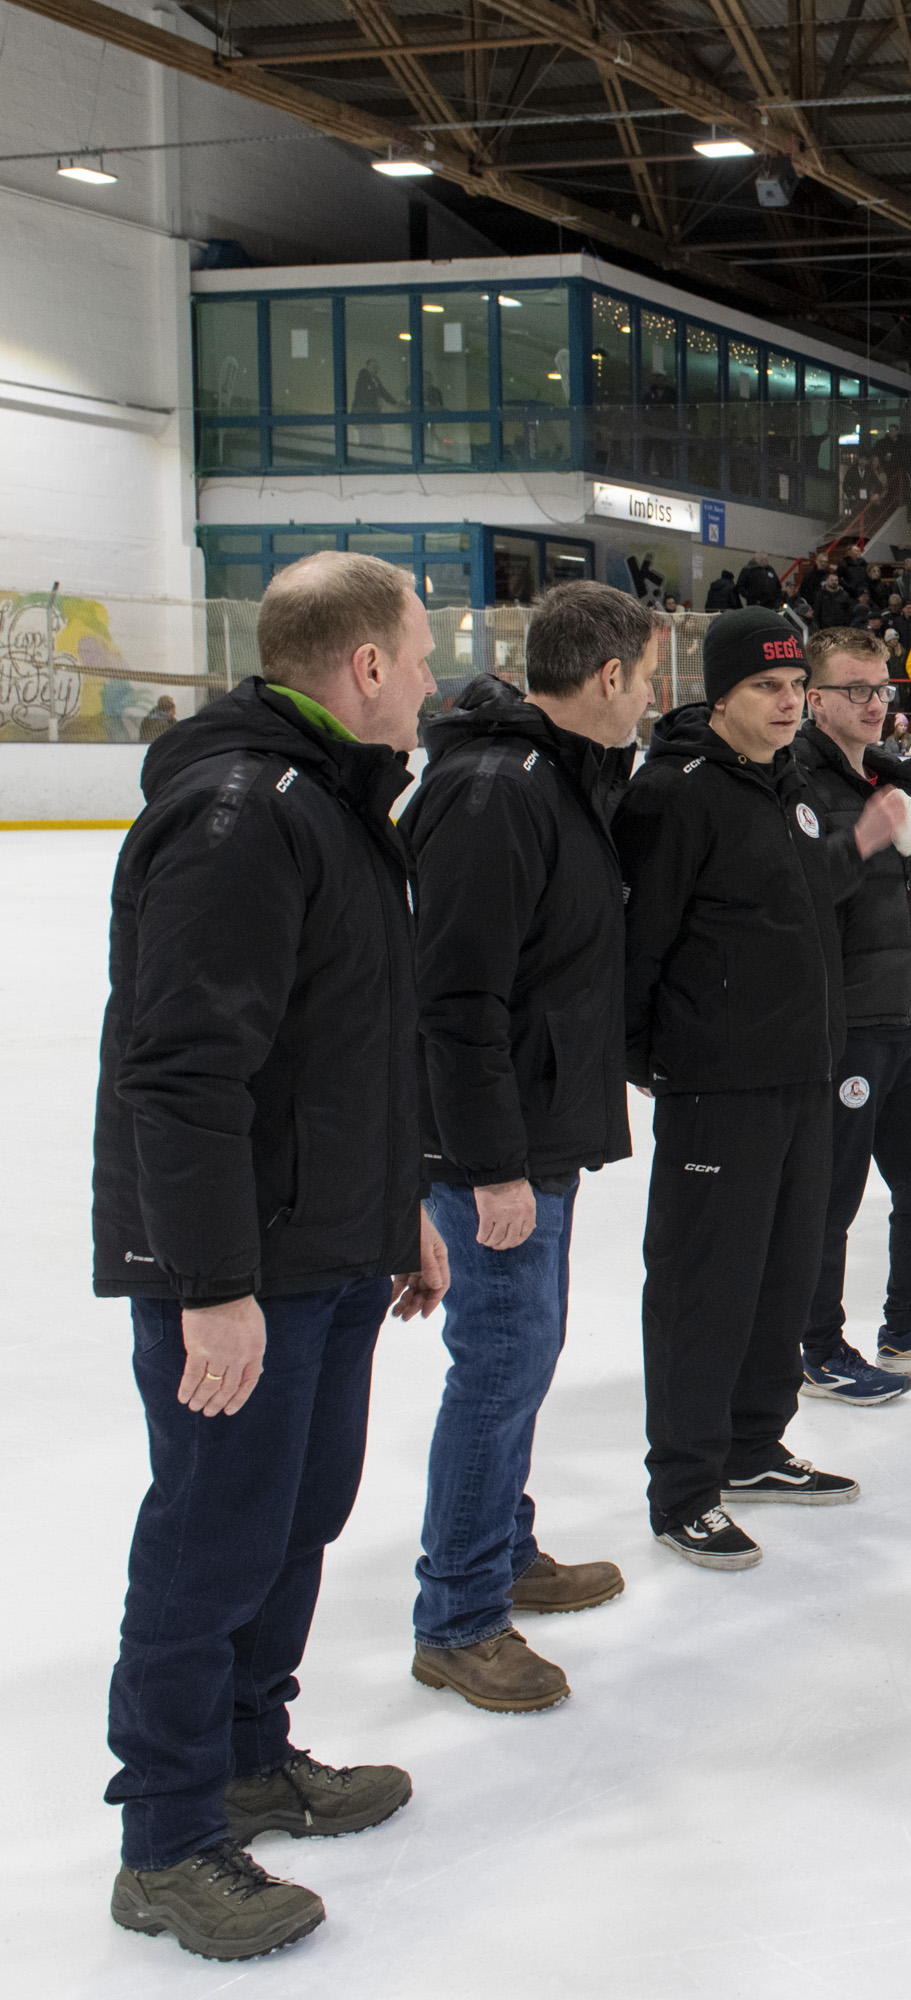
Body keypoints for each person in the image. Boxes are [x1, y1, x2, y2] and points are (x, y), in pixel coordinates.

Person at [96, 551, 450, 1959]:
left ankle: (251, 1753)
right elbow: (182, 1076)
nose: (431, 680)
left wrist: (395, 1214)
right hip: (242, 1270)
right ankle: (169, 1837)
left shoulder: (335, 807)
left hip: (326, 1247)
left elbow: (346, 1051)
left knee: (293, 1521)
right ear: (364, 665)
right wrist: (209, 1285)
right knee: (210, 1540)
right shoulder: (245, 816)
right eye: (418, 656)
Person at [399, 581, 657, 1716]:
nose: (652, 701)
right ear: (606, 679)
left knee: (524, 1348)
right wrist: (489, 1161)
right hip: (490, 1144)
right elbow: (455, 997)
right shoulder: (496, 791)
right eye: (647, 680)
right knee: (501, 1356)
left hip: (534, 1120)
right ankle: (457, 1613)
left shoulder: (557, 775)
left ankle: (500, 1545)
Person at [615, 608, 911, 1572]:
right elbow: (640, 945)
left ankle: (750, 1444)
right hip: (719, 1086)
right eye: (766, 689)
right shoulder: (675, 793)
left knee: (782, 1275)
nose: (787, 703)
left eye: (794, 687)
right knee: (707, 1286)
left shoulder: (783, 787)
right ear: (720, 695)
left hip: (801, 1074)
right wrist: (654, 1058)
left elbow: (795, 895)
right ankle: (684, 1487)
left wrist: (858, 838)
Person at [790, 627, 911, 1407]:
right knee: (830, 1196)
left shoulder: (897, 782)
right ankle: (815, 1343)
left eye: (883, 690)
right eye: (856, 691)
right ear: (816, 699)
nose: (876, 705)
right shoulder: (797, 789)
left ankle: (908, 1322)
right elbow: (800, 905)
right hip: (846, 1034)